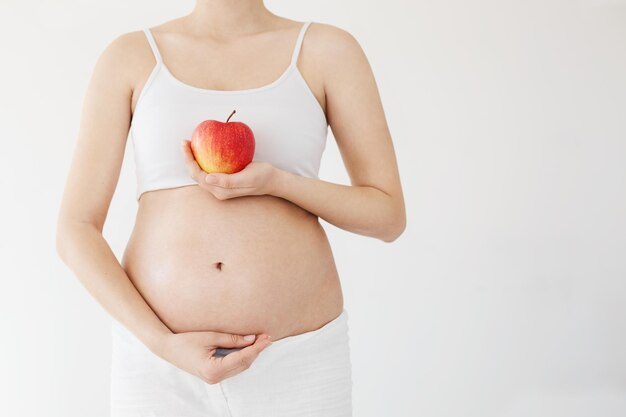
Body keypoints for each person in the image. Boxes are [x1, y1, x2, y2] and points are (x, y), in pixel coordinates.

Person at [56, 0, 405, 415]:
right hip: (159, 363)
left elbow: (387, 216)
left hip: (298, 361)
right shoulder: (131, 56)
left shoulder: (327, 50)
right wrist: (162, 343)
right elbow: (74, 228)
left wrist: (279, 182)